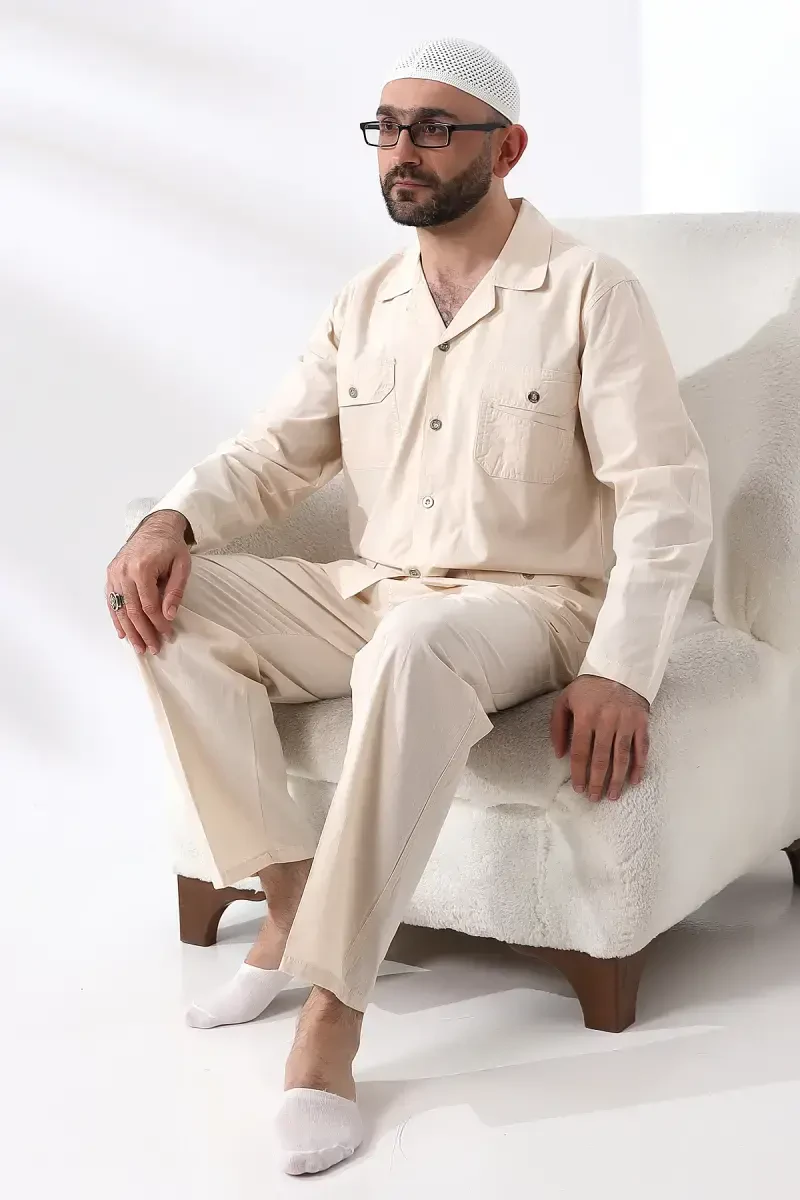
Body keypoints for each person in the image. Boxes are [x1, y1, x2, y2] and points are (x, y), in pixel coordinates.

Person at [106, 36, 712, 1176]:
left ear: (507, 147)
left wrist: (622, 666)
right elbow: (271, 456)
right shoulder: (367, 300)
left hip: (533, 603)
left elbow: (665, 494)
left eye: (433, 128)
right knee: (169, 604)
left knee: (417, 648)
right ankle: (288, 902)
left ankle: (331, 1016)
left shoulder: (590, 291)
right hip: (376, 590)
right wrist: (170, 520)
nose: (401, 152)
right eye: (385, 128)